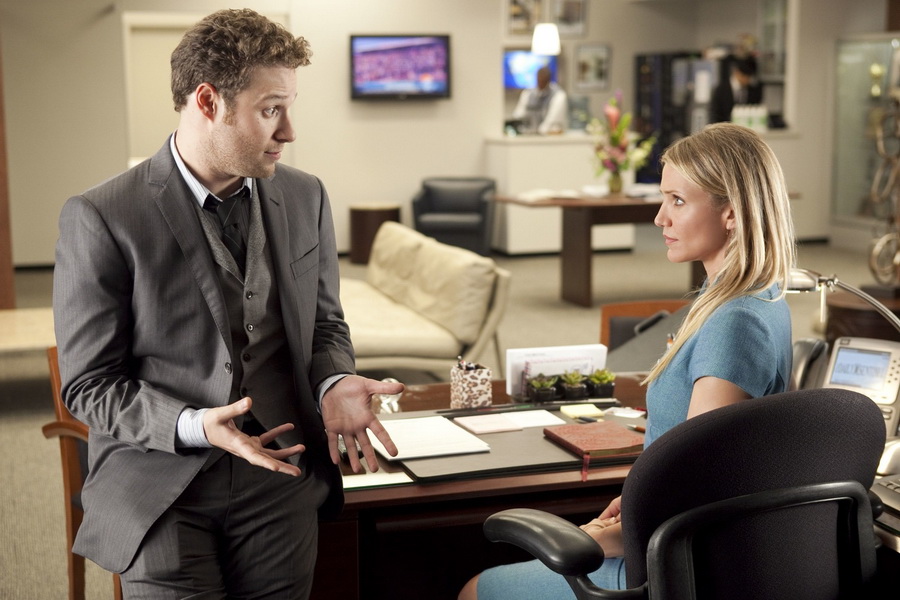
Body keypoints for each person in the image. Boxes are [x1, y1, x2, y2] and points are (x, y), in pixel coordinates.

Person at [53, 9, 402, 599]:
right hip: (161, 482)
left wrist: (333, 380)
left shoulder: (306, 196)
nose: (289, 132)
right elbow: (89, 386)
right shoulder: (102, 216)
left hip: (282, 474)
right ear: (208, 101)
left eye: (290, 107)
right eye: (271, 110)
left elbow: (324, 325)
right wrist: (194, 425)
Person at [459, 122, 796, 599]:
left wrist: (611, 540)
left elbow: (701, 484)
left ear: (732, 214)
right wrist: (635, 501)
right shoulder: (760, 297)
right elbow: (703, 462)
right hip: (685, 543)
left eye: (677, 201)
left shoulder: (733, 320)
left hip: (666, 565)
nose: (660, 218)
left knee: (475, 590)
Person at [512, 65, 568, 134]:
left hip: (547, 135)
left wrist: (541, 131)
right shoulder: (528, 94)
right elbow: (518, 115)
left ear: (548, 79)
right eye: (539, 78)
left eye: (544, 78)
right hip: (530, 133)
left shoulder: (558, 95)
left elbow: (550, 120)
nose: (541, 80)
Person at [709, 55, 763, 124]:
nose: (747, 80)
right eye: (745, 77)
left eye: (749, 77)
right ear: (737, 73)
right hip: (725, 126)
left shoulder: (753, 90)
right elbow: (715, 113)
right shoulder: (722, 89)